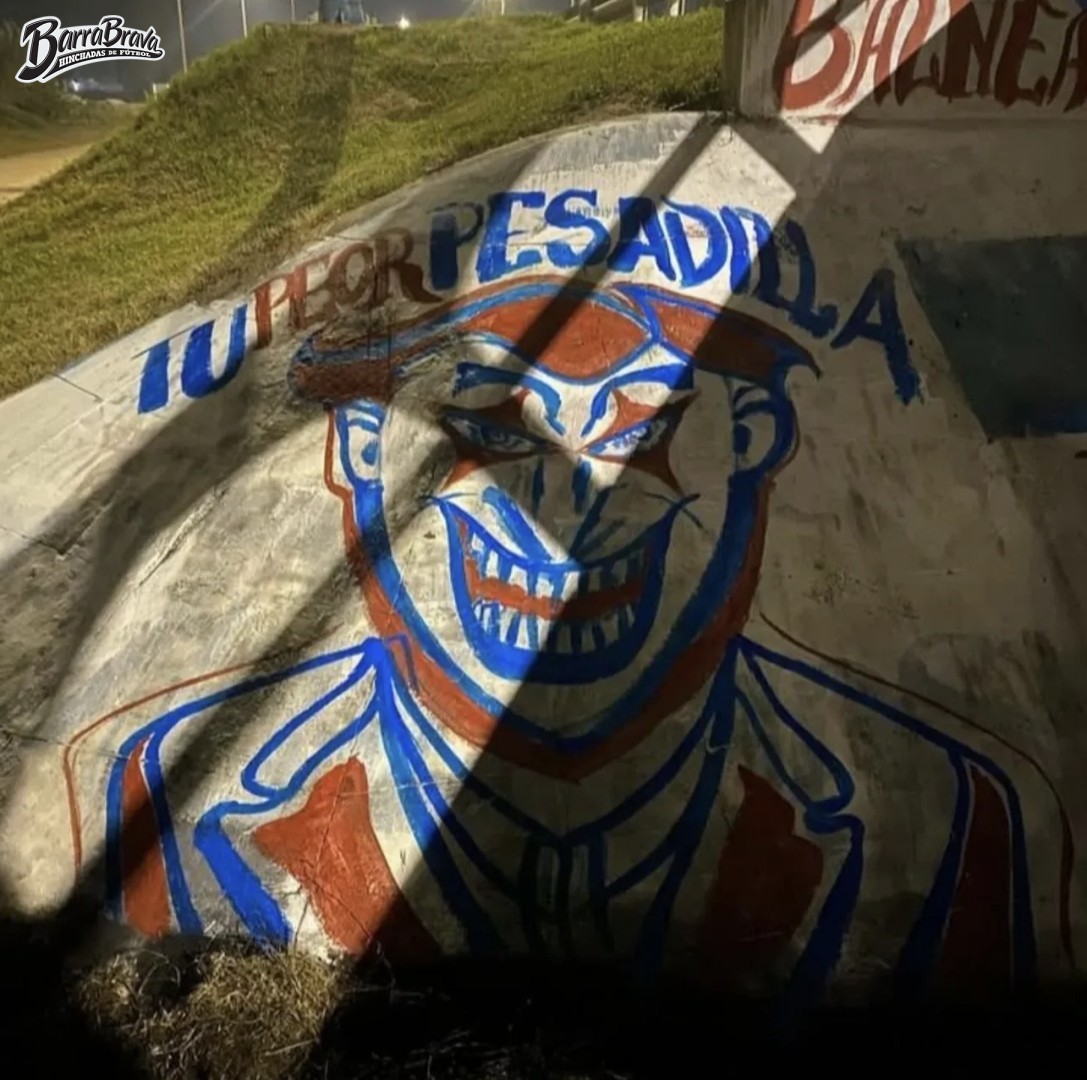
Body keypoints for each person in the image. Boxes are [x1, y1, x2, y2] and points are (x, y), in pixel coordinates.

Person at [75, 276, 1074, 1008]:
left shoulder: (956, 814)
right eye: (491, 436)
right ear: (358, 459)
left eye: (639, 435)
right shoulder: (182, 798)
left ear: (757, 449)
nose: (572, 507)